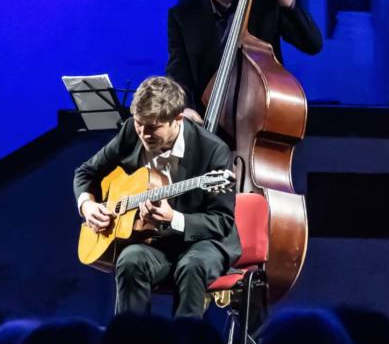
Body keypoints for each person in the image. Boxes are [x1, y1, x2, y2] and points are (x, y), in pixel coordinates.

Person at [73, 76, 239, 317]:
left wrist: (174, 217)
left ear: (178, 119)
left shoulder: (213, 150)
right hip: (155, 242)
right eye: (140, 124)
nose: (144, 133)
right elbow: (86, 172)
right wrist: (87, 205)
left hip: (204, 244)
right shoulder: (132, 130)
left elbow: (222, 222)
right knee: (130, 261)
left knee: (191, 266)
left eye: (153, 127)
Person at [167, 0, 322, 121]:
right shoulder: (183, 14)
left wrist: (288, 5)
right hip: (207, 120)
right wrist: (183, 107)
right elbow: (178, 72)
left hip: (261, 120)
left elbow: (312, 44)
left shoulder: (266, 7)